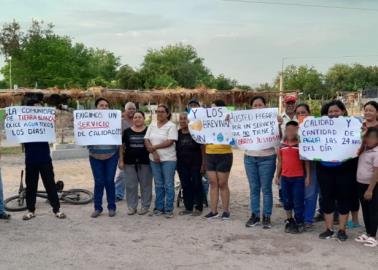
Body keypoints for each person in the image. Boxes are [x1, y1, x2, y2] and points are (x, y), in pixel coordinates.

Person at [317, 100, 357, 241]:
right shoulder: (320, 128)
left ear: (343, 112)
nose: (333, 114)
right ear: (326, 114)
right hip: (324, 169)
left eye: (336, 111)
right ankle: (328, 229)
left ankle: (342, 230)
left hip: (345, 170)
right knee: (327, 199)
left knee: (343, 199)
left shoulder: (353, 126)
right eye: (330, 112)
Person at [22, 99, 65, 220]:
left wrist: (53, 118)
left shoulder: (45, 121)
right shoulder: (23, 122)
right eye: (35, 107)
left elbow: (53, 127)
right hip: (30, 159)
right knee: (31, 186)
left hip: (45, 158)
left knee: (50, 185)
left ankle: (57, 210)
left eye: (39, 107)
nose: (38, 109)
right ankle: (31, 210)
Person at [245, 96, 282, 229]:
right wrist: (229, 121)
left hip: (267, 157)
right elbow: (236, 133)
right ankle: (255, 215)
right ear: (251, 107)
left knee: (266, 188)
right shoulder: (246, 120)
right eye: (255, 105)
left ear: (265, 106)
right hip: (250, 157)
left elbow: (280, 138)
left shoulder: (273, 119)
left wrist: (279, 124)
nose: (258, 107)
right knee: (254, 188)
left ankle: (267, 216)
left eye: (260, 105)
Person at [275, 121, 310, 233]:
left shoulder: (301, 145)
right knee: (287, 200)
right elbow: (280, 162)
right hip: (285, 178)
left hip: (298, 178)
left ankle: (299, 221)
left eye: (294, 130)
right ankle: (290, 220)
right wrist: (277, 176)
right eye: (288, 130)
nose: (291, 132)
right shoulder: (282, 146)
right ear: (285, 131)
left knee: (298, 201)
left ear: (297, 131)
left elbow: (306, 162)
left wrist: (308, 176)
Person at [145, 104, 178, 218]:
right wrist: (153, 152)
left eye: (162, 111)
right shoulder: (152, 125)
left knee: (168, 184)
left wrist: (154, 148)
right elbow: (146, 139)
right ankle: (159, 208)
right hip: (154, 159)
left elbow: (170, 141)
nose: (159, 114)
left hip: (168, 159)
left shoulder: (171, 126)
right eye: (158, 111)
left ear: (167, 114)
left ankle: (169, 209)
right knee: (158, 184)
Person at [88, 98, 119, 218]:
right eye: (101, 105)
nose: (104, 107)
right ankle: (97, 208)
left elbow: (119, 137)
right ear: (96, 107)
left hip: (111, 155)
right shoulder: (88, 120)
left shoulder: (114, 120)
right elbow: (82, 136)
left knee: (110, 181)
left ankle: (111, 207)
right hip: (95, 155)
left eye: (106, 105)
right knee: (99, 181)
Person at [204, 99, 233, 220]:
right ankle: (213, 211)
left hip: (224, 153)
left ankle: (226, 211)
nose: (212, 111)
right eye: (211, 108)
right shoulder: (207, 120)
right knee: (213, 183)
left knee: (222, 183)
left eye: (215, 108)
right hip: (209, 153)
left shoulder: (229, 118)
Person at [118, 111, 152, 215]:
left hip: (145, 162)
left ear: (143, 118)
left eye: (140, 117)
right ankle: (132, 207)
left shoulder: (149, 131)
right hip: (129, 163)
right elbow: (121, 146)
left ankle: (145, 206)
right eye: (135, 117)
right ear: (133, 119)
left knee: (146, 185)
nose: (137, 119)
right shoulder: (127, 132)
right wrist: (121, 160)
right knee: (131, 186)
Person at [295, 103, 319, 230]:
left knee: (310, 192)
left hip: (312, 164)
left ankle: (308, 219)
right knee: (298, 193)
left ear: (309, 113)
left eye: (303, 112)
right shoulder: (293, 128)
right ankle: (300, 217)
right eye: (298, 113)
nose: (300, 115)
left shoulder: (317, 127)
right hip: (296, 165)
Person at [176, 112, 204, 216]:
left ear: (189, 121)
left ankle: (198, 207)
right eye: (181, 118)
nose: (183, 121)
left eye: (185, 119)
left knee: (197, 184)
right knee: (185, 185)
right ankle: (188, 207)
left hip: (196, 163)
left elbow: (202, 148)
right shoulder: (177, 133)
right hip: (182, 164)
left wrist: (203, 164)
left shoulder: (196, 132)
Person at [355, 127, 378, 247]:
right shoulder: (363, 149)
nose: (368, 140)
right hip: (360, 184)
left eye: (372, 138)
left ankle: (373, 236)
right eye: (367, 137)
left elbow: (376, 173)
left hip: (372, 186)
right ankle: (368, 232)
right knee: (364, 210)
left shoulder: (377, 152)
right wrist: (363, 133)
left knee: (373, 211)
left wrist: (370, 190)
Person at [115, 102, 136, 201]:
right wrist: (121, 156)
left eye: (133, 109)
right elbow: (118, 139)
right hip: (123, 150)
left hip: (136, 151)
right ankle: (118, 193)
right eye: (129, 109)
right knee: (122, 173)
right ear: (125, 110)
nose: (131, 110)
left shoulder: (137, 120)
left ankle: (135, 193)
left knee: (135, 173)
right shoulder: (120, 122)